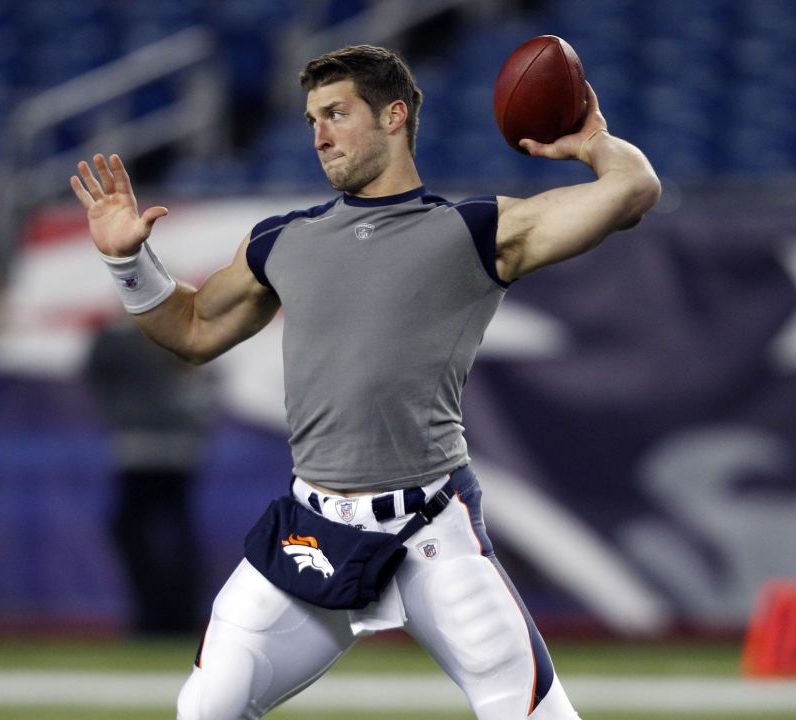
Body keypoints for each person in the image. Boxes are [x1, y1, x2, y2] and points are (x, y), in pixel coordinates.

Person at [70, 44, 659, 720]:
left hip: (431, 529)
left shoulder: (472, 229)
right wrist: (128, 261)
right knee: (204, 710)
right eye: (312, 118)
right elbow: (194, 330)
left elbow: (633, 191)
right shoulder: (282, 241)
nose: (319, 133)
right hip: (312, 529)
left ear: (394, 116)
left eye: (337, 113)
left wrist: (595, 143)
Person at [85, 315, 214, 636]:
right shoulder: (187, 330)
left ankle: (156, 615)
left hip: (140, 443)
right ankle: (180, 614)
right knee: (177, 528)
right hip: (182, 443)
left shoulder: (126, 337)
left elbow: (94, 369)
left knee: (133, 530)